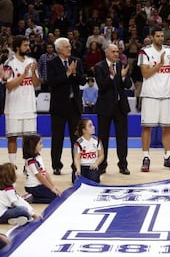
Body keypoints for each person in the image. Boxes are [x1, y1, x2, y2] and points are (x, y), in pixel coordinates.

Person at [138, 27, 170, 172]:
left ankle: (168, 157)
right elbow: (145, 74)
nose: (160, 38)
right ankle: (146, 157)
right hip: (150, 94)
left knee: (167, 127)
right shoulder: (145, 51)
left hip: (167, 94)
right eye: (157, 36)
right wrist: (160, 64)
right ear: (152, 37)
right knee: (147, 127)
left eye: (162, 36)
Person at [47, 37, 86, 176]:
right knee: (57, 138)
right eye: (66, 47)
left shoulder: (77, 61)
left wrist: (74, 73)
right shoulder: (51, 63)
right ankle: (56, 165)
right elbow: (51, 82)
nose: (69, 48)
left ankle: (76, 165)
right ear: (58, 49)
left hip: (74, 106)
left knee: (76, 139)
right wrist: (67, 73)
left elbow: (82, 80)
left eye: (69, 46)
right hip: (59, 107)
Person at [2, 35, 40, 167]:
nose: (28, 47)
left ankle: (27, 165)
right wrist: (24, 75)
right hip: (13, 106)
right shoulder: (9, 63)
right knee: (12, 137)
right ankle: (12, 165)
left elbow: (35, 84)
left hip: (29, 106)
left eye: (28, 45)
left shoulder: (32, 61)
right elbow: (8, 85)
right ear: (18, 47)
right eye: (25, 45)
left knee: (28, 138)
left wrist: (33, 72)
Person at [94, 44, 131, 175]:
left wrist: (122, 77)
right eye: (113, 51)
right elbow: (102, 86)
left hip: (120, 107)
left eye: (117, 51)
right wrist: (111, 76)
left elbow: (128, 85)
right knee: (103, 138)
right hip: (105, 107)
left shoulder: (122, 65)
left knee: (122, 138)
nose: (116, 54)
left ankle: (123, 165)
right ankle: (102, 165)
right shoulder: (99, 67)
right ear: (107, 53)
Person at [23, 134, 62, 203]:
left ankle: (32, 196)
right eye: (40, 143)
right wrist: (51, 188)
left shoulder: (38, 157)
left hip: (40, 185)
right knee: (55, 198)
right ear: (33, 145)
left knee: (58, 195)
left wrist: (53, 186)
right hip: (34, 187)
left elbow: (45, 173)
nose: (42, 145)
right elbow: (40, 177)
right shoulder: (32, 161)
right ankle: (31, 198)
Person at [73, 118, 104, 183]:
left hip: (92, 166)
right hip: (82, 166)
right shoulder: (78, 143)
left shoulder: (97, 140)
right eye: (90, 126)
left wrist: (96, 164)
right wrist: (78, 169)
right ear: (84, 130)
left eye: (92, 125)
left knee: (93, 181)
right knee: (77, 180)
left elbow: (101, 155)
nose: (93, 127)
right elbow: (76, 158)